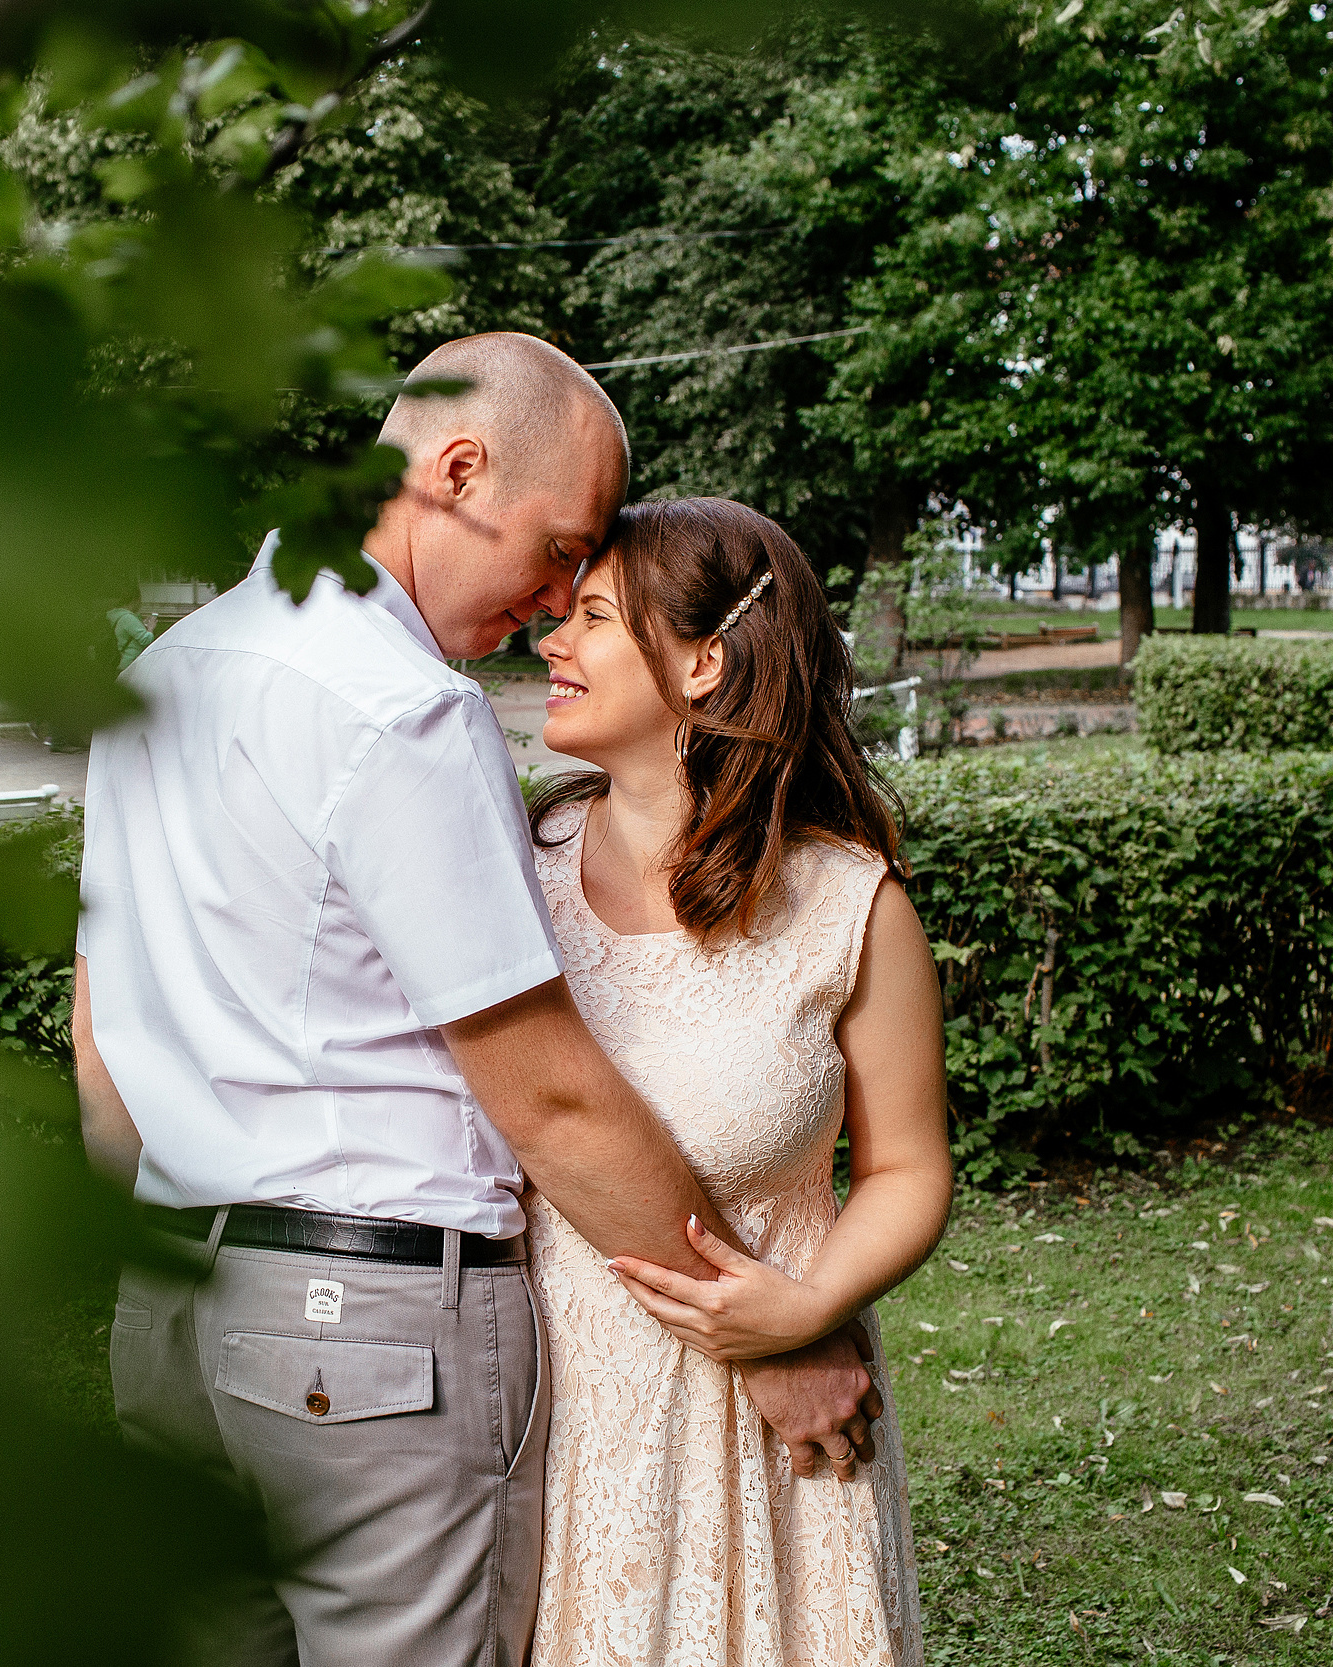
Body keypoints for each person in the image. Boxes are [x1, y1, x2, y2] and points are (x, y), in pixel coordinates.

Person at [72, 333, 882, 1665]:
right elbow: (548, 1092)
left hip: (169, 1308)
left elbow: (101, 1035)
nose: (563, 596)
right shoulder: (403, 708)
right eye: (563, 547)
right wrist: (771, 1346)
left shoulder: (167, 669)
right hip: (375, 1333)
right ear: (456, 471)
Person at [524, 498, 951, 1666]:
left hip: (779, 1445)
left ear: (705, 662)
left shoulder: (850, 904)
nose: (551, 639)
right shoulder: (513, 877)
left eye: (594, 615)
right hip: (553, 1411)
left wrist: (808, 1313)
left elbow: (909, 1168)